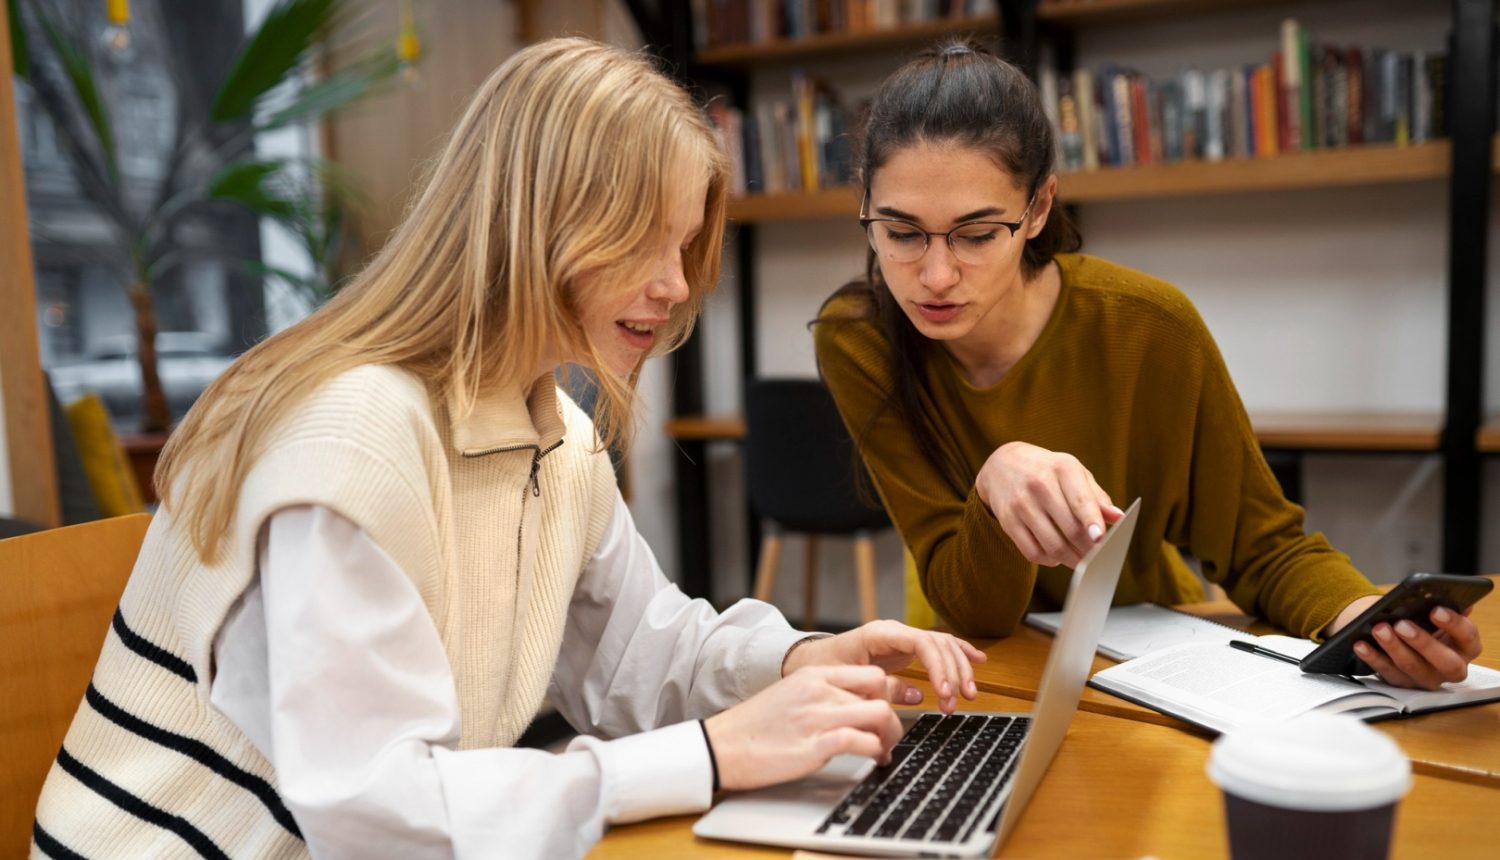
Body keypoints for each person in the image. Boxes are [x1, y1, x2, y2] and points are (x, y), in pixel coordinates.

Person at [32, 39, 986, 860]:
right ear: (534, 223)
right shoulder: (354, 434)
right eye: (640, 243)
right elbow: (378, 817)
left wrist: (798, 664)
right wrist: (710, 754)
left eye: (684, 248)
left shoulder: (550, 434)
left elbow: (635, 653)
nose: (671, 286)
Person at [814, 41, 1482, 692]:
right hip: (984, 673)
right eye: (901, 233)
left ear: (1039, 208)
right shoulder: (860, 339)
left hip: (1151, 666)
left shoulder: (1149, 326)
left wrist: (1363, 624)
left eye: (978, 235)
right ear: (864, 207)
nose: (934, 275)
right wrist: (995, 484)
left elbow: (1261, 546)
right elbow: (976, 613)